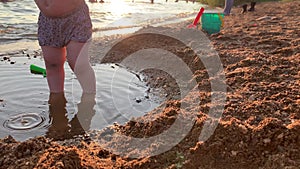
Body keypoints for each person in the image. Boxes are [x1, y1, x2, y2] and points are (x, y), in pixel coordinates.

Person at [34, 0, 96, 94]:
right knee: (52, 64)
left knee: (78, 64)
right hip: (47, 21)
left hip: (75, 17)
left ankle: (90, 97)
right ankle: (57, 97)